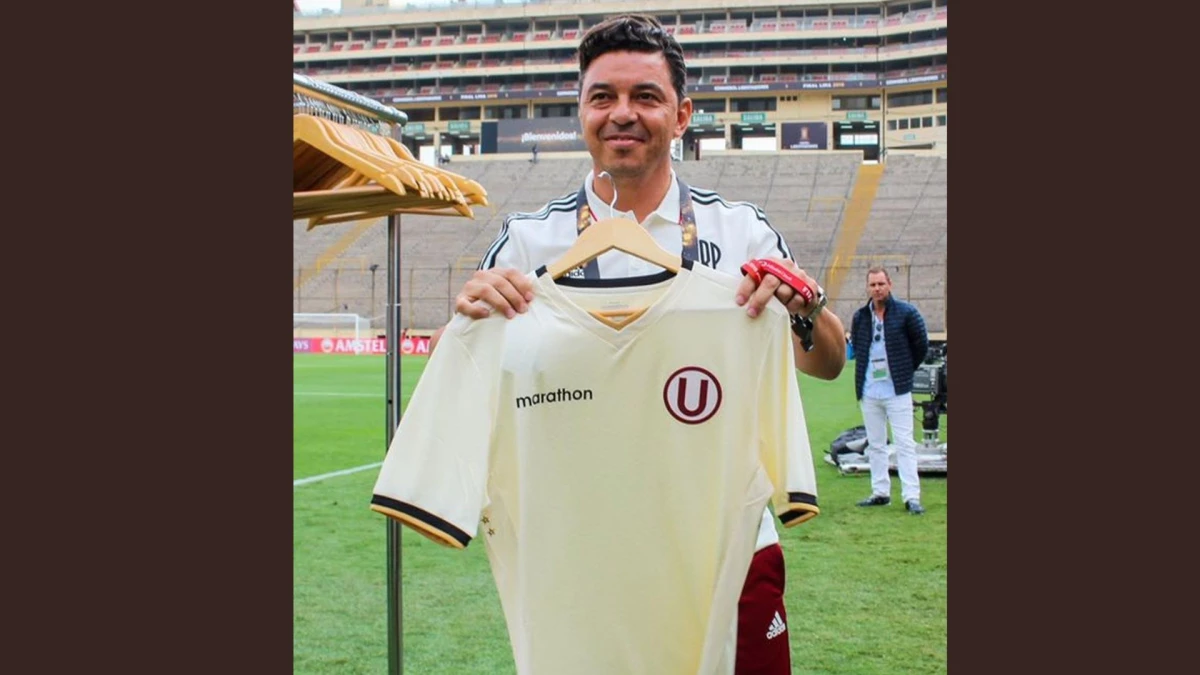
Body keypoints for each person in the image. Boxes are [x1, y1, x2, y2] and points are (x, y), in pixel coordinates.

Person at [430, 14, 846, 673]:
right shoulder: (528, 244)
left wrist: (805, 309)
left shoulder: (738, 230)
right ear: (581, 113)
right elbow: (478, 380)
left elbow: (828, 361)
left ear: (681, 116)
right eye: (603, 97)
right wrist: (472, 317)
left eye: (645, 97)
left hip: (725, 551)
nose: (622, 113)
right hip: (587, 554)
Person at [849, 266, 929, 515]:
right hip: (870, 389)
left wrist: (905, 369)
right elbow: (859, 349)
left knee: (905, 443)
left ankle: (911, 496)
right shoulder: (861, 316)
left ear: (890, 284)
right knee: (876, 444)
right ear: (867, 287)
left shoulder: (906, 313)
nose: (877, 289)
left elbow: (921, 344)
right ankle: (880, 491)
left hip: (897, 390)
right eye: (872, 285)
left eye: (881, 284)